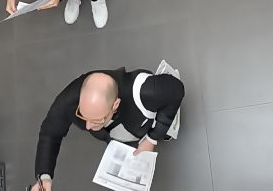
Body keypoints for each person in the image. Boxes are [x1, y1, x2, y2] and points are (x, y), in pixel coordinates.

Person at [31, 67, 184, 191]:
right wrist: (44, 177)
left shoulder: (146, 91)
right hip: (116, 134)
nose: (88, 126)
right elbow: (50, 132)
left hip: (141, 123)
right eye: (82, 115)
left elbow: (176, 89)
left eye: (96, 120)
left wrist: (152, 138)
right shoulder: (68, 101)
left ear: (115, 105)